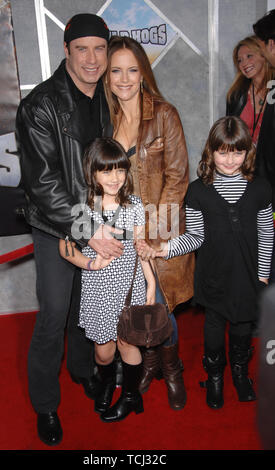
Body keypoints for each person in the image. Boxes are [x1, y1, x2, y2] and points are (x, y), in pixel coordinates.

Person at [15, 14, 124, 446]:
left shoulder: (108, 99)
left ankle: (83, 372)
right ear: (66, 50)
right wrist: (89, 227)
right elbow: (43, 184)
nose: (92, 58)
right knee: (54, 315)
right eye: (83, 48)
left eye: (100, 48)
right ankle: (45, 405)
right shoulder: (40, 105)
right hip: (56, 225)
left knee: (89, 305)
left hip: (99, 222)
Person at [154, 116, 274, 409]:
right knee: (214, 328)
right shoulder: (198, 192)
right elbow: (195, 237)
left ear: (248, 152)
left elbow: (267, 234)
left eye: (238, 151)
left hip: (248, 277)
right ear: (211, 152)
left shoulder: (261, 189)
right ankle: (216, 376)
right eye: (223, 152)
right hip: (213, 276)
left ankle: (240, 373)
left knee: (243, 329)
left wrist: (262, 275)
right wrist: (165, 248)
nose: (230, 160)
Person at [103, 36, 195, 411]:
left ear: (143, 73)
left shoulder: (163, 114)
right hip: (121, 232)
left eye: (132, 69)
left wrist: (152, 234)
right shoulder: (103, 118)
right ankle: (151, 361)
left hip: (160, 230)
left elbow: (178, 178)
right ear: (107, 77)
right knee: (137, 304)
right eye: (116, 71)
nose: (124, 78)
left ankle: (171, 369)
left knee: (162, 304)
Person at [59, 137, 156, 422]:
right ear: (92, 172)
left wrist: (150, 282)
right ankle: (104, 384)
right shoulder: (83, 208)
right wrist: (90, 263)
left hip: (130, 288)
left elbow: (141, 246)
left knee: (129, 345)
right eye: (106, 171)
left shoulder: (134, 204)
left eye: (120, 170)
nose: (115, 178)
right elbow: (65, 248)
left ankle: (130, 395)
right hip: (98, 290)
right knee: (103, 352)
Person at [226, 36, 275, 282]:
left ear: (264, 53)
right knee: (247, 234)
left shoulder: (274, 89)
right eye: (239, 60)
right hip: (243, 174)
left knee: (269, 233)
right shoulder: (236, 94)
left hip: (270, 175)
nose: (244, 63)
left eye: (249, 56)